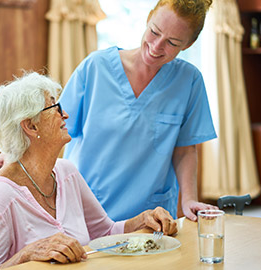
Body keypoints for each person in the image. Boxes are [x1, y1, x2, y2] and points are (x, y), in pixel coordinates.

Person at [0, 72, 178, 269]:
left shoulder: (66, 172)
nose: (66, 114)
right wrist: (26, 254)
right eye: (55, 107)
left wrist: (144, 219)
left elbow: (105, 232)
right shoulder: (1, 194)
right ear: (31, 127)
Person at [58, 0, 218, 222]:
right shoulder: (95, 68)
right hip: (87, 211)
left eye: (172, 42)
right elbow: (55, 130)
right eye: (154, 31)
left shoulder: (189, 82)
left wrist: (189, 199)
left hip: (151, 217)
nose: (156, 46)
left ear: (187, 45)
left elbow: (184, 150)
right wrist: (17, 164)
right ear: (147, 19)